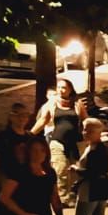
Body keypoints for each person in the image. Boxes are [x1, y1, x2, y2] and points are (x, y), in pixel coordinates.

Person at [32, 78, 84, 206]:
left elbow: (85, 120)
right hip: (57, 141)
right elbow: (43, 120)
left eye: (64, 87)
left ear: (70, 89)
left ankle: (73, 195)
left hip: (75, 143)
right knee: (60, 169)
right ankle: (61, 198)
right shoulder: (52, 103)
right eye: (59, 87)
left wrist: (95, 132)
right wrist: (30, 134)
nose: (61, 90)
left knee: (76, 171)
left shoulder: (77, 104)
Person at [72, 116, 108, 215]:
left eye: (88, 130)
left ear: (97, 132)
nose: (84, 133)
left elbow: (93, 172)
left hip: (91, 188)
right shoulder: (94, 147)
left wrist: (76, 169)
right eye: (84, 129)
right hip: (100, 188)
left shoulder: (97, 150)